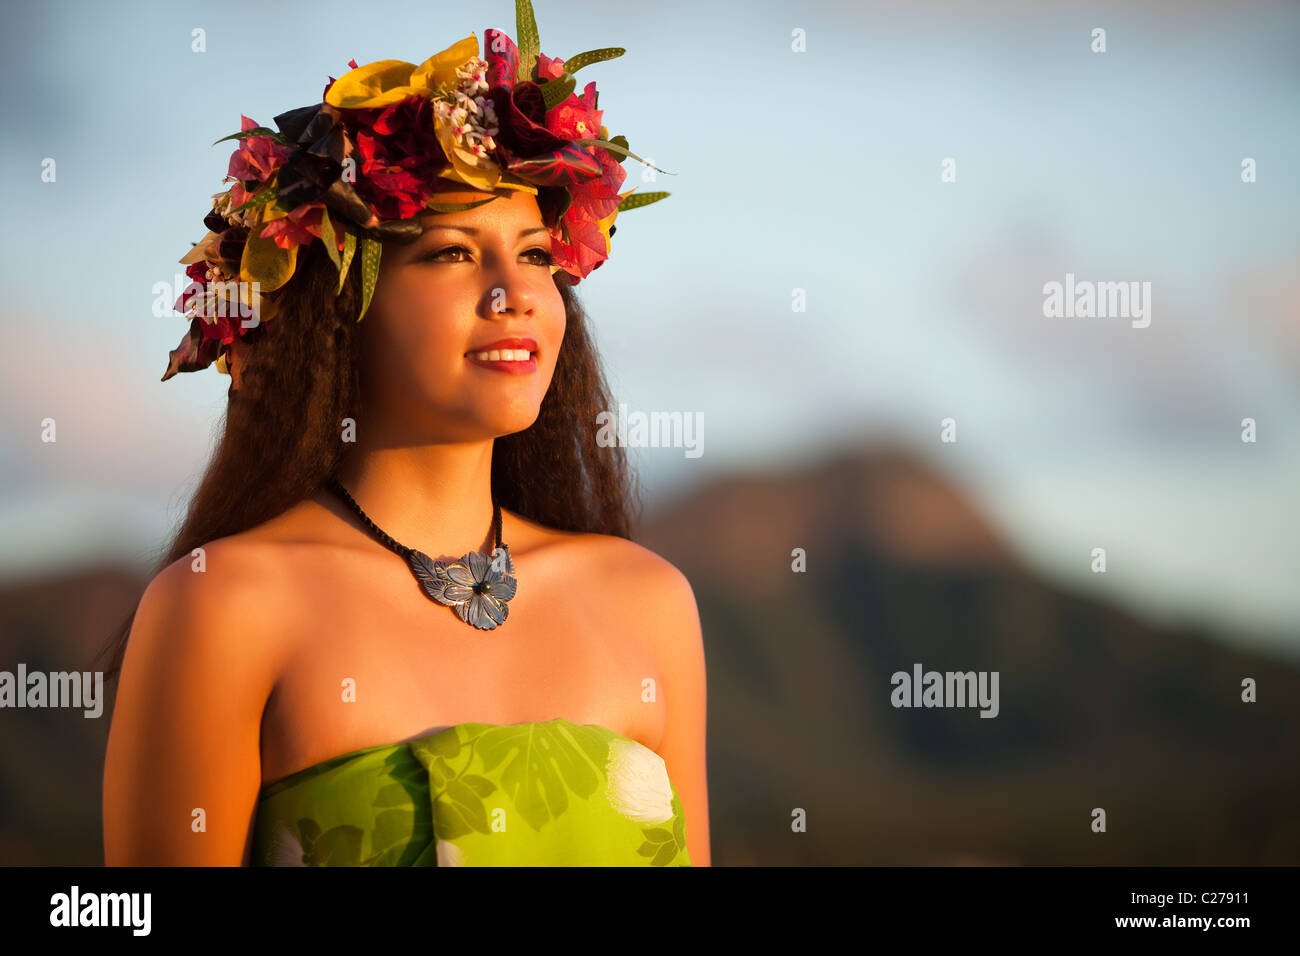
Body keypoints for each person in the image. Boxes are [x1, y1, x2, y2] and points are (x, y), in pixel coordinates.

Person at [100, 11, 709, 867]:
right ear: (338, 303)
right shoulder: (222, 606)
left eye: (536, 256)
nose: (515, 295)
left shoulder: (648, 603)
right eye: (452, 255)